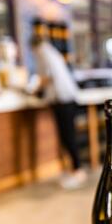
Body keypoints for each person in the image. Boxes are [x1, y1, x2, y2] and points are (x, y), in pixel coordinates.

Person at [31, 34, 86, 190]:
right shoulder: (51, 51)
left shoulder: (43, 52)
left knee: (68, 136)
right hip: (65, 98)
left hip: (63, 99)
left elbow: (46, 77)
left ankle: (77, 170)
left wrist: (35, 90)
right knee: (67, 135)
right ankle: (74, 169)